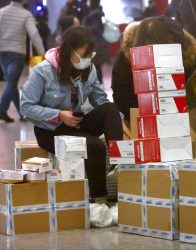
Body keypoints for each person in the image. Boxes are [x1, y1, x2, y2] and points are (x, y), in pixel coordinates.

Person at [20, 26, 123, 200]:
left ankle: (119, 163)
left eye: (91, 55)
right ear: (69, 50)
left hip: (75, 123)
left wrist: (120, 122)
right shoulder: (43, 72)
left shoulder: (89, 70)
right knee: (95, 146)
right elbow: (26, 106)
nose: (87, 60)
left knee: (110, 109)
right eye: (84, 55)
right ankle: (98, 200)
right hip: (50, 131)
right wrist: (59, 115)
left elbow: (101, 101)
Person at [111, 16, 196, 123]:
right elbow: (121, 93)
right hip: (140, 114)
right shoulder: (126, 57)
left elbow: (195, 93)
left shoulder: (186, 55)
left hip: (181, 117)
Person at [0, 0, 45, 123]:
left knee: (11, 82)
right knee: (11, 81)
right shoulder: (26, 14)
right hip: (17, 52)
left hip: (2, 52)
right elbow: (34, 34)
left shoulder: (1, 12)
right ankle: (2, 110)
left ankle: (22, 113)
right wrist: (43, 53)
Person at [83, 0, 109, 84]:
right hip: (98, 41)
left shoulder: (94, 14)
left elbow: (96, 28)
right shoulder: (100, 12)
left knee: (94, 64)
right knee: (96, 65)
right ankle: (99, 82)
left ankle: (97, 83)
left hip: (93, 41)